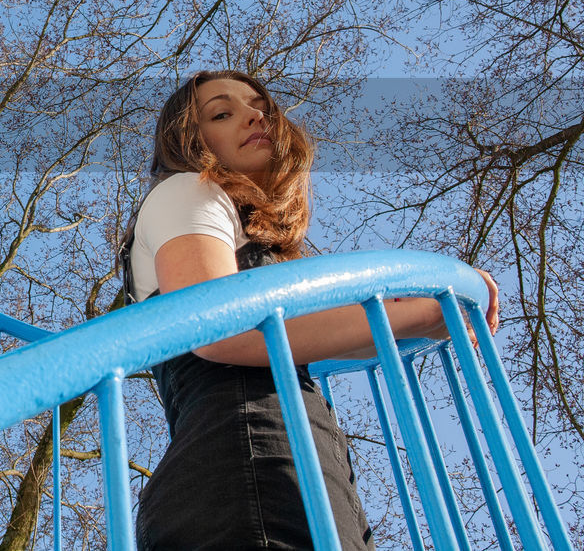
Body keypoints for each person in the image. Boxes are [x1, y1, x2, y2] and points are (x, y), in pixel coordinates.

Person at [119, 70, 499, 550]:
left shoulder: (242, 227)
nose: (256, 115)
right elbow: (221, 329)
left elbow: (301, 333)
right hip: (249, 468)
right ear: (189, 141)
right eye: (222, 112)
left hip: (289, 469)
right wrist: (420, 314)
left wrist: (418, 309)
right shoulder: (187, 189)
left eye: (259, 106)